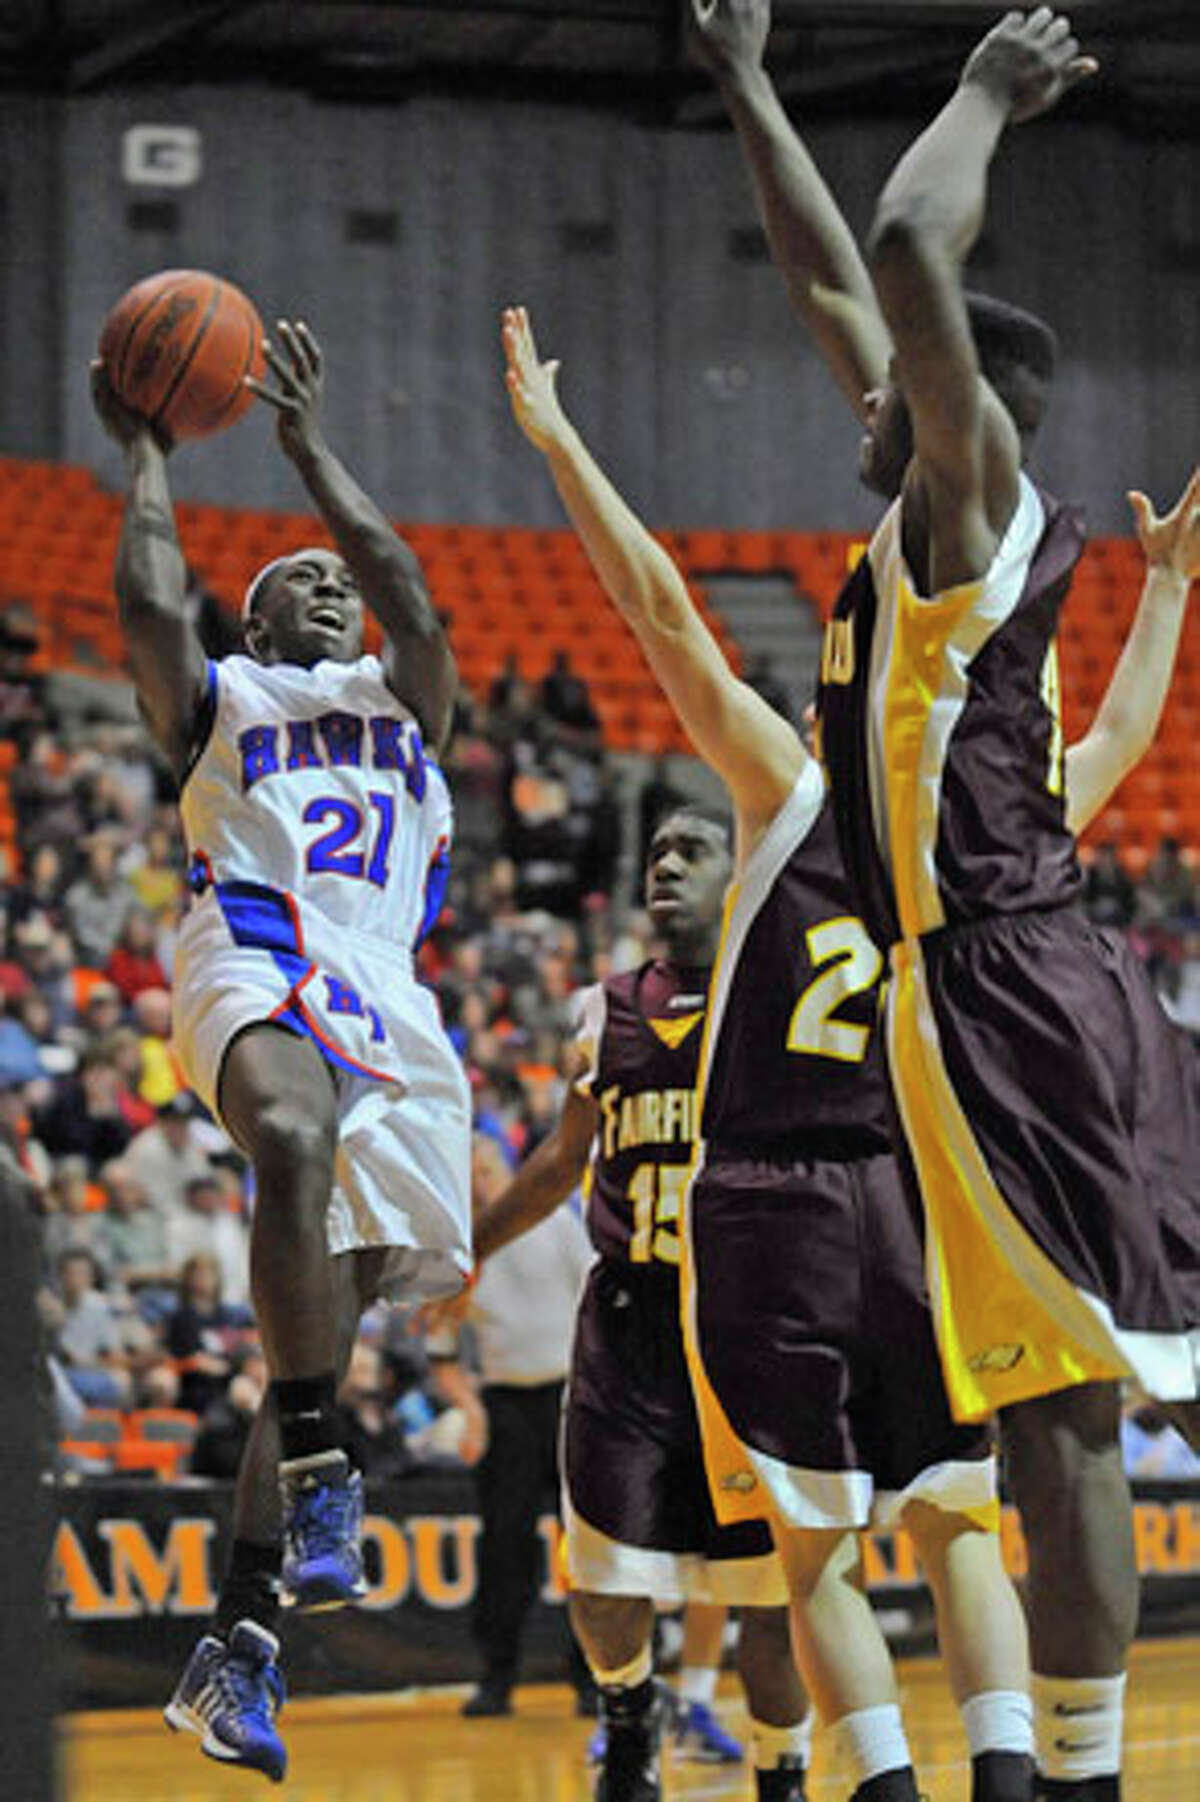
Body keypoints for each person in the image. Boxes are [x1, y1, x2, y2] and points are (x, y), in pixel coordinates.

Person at [692, 10, 1200, 1799]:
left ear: (946, 402)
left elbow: (907, 246)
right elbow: (845, 272)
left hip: (1010, 994)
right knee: (1069, 1421)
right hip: (979, 993)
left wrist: (986, 88)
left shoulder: (964, 506)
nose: (858, 387)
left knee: (1107, 1410)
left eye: (889, 380)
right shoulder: (922, 520)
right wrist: (749, 83)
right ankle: (1078, 1779)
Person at [503, 303, 1040, 1802]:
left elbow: (663, 610)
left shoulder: (791, 787)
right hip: (921, 1204)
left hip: (781, 1199)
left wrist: (560, 445)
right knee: (956, 1528)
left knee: (817, 1554)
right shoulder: (970, 830)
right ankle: (1008, 1772)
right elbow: (1107, 748)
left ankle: (875, 1786)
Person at [91, 316, 472, 1784]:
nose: (330, 584)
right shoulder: (227, 700)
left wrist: (310, 452)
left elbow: (415, 596)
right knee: (292, 1140)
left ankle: (238, 1646)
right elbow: (139, 609)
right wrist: (144, 452)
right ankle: (323, 1464)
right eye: (296, 579)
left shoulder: (405, 699)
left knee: (336, 1307)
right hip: (255, 939)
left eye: (335, 578)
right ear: (255, 630)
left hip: (390, 992)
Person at [433, 804, 811, 1799]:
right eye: (655, 854)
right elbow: (563, 1161)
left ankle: (785, 1770)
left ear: (741, 876)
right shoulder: (603, 1008)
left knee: (767, 1601)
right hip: (631, 1321)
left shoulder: (777, 994)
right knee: (601, 1571)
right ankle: (631, 1720)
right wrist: (468, 1248)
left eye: (691, 852)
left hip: (746, 1327)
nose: (666, 867)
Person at [426, 1131, 596, 1722]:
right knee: (504, 1551)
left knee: (589, 1547)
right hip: (505, 1406)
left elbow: (597, 1298)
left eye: (485, 1172)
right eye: (468, 1176)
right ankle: (496, 1677)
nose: (478, 1184)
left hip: (573, 1398)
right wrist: (470, 1409)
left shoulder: (558, 1226)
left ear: (508, 1174)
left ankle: (596, 1678)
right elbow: (441, 1351)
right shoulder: (460, 1255)